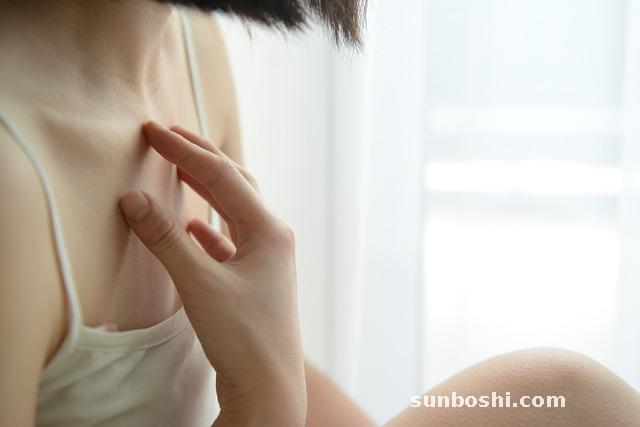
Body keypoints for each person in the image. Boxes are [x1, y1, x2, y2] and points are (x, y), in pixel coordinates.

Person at [0, 1, 638, 426]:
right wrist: (263, 406)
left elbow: (253, 361)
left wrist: (273, 376)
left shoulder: (190, 46)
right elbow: (263, 384)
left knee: (564, 400)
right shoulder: (16, 186)